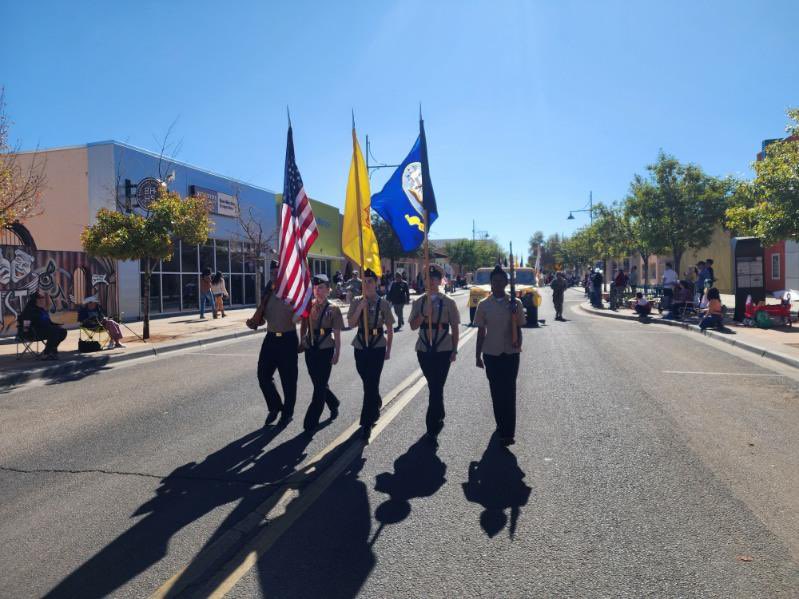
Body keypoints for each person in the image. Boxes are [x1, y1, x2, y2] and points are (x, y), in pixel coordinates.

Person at [474, 265, 526, 447]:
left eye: (501, 281)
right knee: (496, 392)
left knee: (509, 391)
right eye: (495, 281)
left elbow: (519, 327)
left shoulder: (515, 304)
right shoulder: (483, 305)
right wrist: (477, 356)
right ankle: (500, 424)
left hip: (510, 353)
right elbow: (481, 332)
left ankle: (508, 433)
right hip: (491, 353)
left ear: (506, 283)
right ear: (491, 283)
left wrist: (518, 341)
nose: (498, 284)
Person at [409, 265, 460, 445]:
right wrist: (424, 315)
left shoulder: (449, 302)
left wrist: (454, 350)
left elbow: (454, 327)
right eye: (427, 278)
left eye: (434, 279)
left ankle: (432, 425)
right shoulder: (419, 302)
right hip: (424, 350)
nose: (430, 282)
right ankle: (439, 413)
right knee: (434, 385)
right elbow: (413, 326)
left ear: (440, 281)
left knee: (437, 386)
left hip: (443, 349)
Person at [246, 260, 298, 426]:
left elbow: (302, 312)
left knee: (288, 380)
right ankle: (275, 406)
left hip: (288, 339)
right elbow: (263, 314)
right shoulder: (269, 289)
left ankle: (287, 413)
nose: (276, 275)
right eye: (273, 272)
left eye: (278, 272)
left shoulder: (292, 291)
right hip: (270, 338)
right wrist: (256, 320)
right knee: (263, 375)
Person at [347, 268, 394, 441]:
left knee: (371, 382)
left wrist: (388, 350)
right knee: (368, 381)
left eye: (370, 281)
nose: (367, 285)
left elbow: (389, 328)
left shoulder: (383, 304)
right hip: (360, 346)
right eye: (364, 281)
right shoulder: (357, 301)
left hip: (377, 346)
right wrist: (360, 308)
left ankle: (366, 424)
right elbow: (351, 323)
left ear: (376, 284)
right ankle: (376, 401)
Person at [299, 274, 344, 432]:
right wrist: (302, 341)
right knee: (319, 384)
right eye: (316, 288)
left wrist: (337, 353)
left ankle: (310, 422)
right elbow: (303, 325)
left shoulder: (334, 309)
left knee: (318, 388)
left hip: (325, 349)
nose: (318, 290)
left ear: (328, 290)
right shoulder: (308, 306)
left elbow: (337, 333)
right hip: (311, 350)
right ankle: (333, 403)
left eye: (321, 288)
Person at [19, 291, 67, 360]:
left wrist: (57, 325)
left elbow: (49, 321)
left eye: (42, 298)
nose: (43, 300)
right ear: (36, 300)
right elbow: (26, 323)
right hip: (35, 332)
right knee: (54, 331)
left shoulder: (41, 310)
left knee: (63, 331)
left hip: (46, 330)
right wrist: (25, 332)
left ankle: (52, 349)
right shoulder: (29, 310)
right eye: (40, 299)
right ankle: (46, 353)